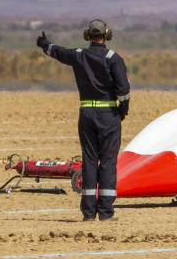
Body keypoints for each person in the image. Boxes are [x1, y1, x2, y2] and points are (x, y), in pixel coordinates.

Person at [36, 19, 130, 221]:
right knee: (107, 161)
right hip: (109, 117)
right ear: (106, 34)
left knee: (89, 160)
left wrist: (44, 44)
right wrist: (123, 110)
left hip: (86, 115)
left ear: (88, 35)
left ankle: (88, 212)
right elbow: (124, 91)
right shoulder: (114, 59)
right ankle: (105, 212)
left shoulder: (79, 56)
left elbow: (58, 52)